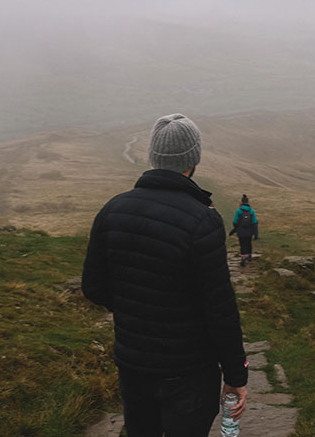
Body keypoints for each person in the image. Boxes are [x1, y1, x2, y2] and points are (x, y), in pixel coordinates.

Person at [82, 113, 248, 437]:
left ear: (153, 156)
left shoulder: (113, 209)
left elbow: (93, 287)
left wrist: (136, 307)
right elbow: (220, 310)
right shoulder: (203, 221)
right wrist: (236, 375)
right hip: (189, 371)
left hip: (132, 365)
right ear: (194, 158)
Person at [229, 194, 259, 267]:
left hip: (241, 231)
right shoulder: (252, 211)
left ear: (241, 202)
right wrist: (256, 234)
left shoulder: (238, 211)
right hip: (249, 231)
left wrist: (236, 229)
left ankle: (243, 258)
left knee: (242, 245)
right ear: (248, 202)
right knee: (248, 243)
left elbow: (235, 221)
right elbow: (255, 222)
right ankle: (249, 256)